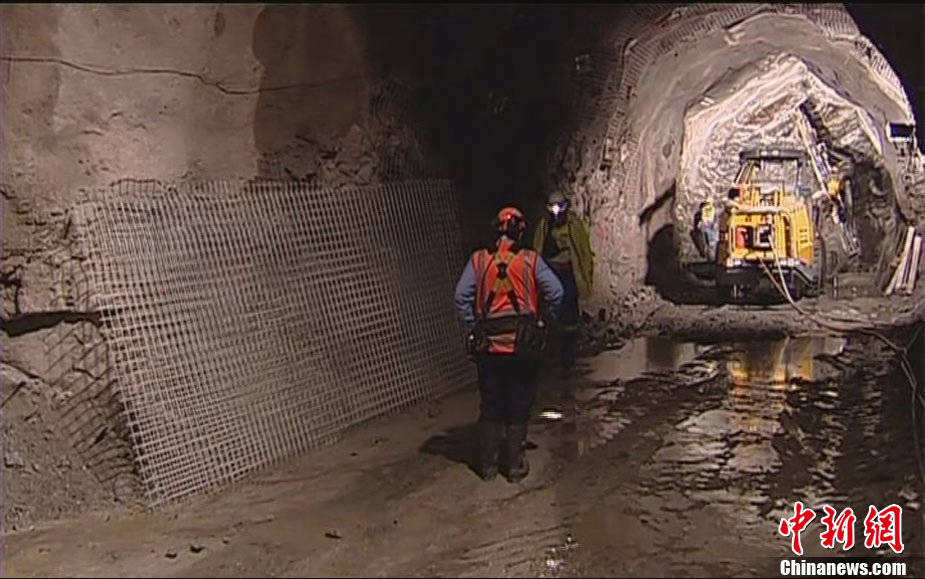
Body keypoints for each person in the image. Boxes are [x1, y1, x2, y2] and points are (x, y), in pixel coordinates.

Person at [454, 206, 564, 483]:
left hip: (489, 346)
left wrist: (474, 324)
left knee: (491, 403)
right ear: (520, 231)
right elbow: (556, 291)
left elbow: (461, 296)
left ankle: (488, 467)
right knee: (519, 401)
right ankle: (514, 466)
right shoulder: (530, 260)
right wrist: (544, 319)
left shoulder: (479, 260)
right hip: (522, 345)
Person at [531, 191, 594, 377]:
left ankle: (567, 356)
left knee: (569, 316)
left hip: (568, 274)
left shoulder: (574, 225)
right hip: (550, 275)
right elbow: (537, 250)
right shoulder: (544, 226)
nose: (556, 212)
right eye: (553, 208)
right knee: (551, 314)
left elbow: (583, 251)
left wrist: (586, 275)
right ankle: (552, 353)